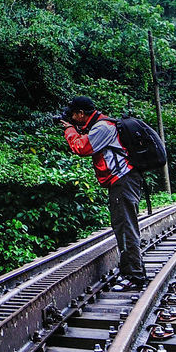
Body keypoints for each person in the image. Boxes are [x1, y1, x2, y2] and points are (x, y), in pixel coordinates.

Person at [59, 96, 146, 289]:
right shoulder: (99, 125)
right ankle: (132, 272)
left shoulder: (102, 127)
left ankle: (135, 276)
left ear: (81, 114)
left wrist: (69, 130)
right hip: (122, 180)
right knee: (123, 225)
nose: (72, 118)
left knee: (125, 227)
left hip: (123, 180)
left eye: (74, 114)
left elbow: (81, 147)